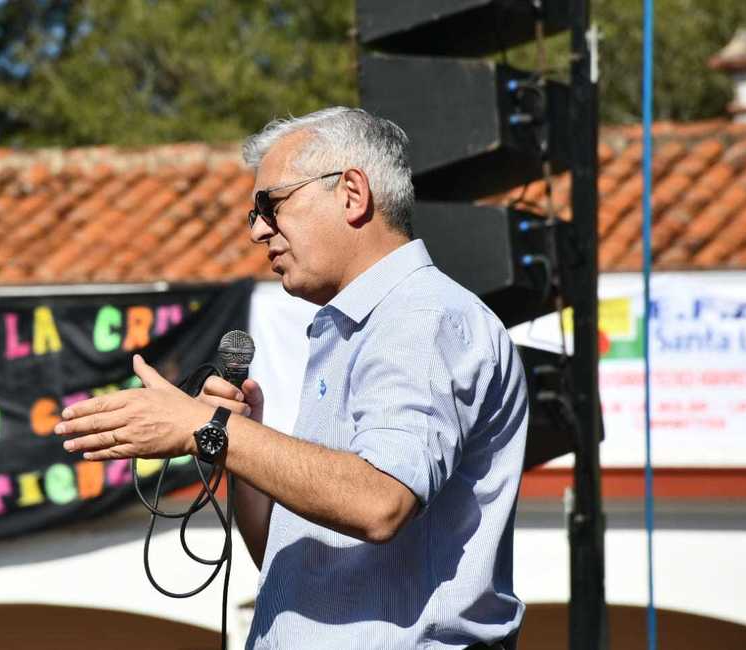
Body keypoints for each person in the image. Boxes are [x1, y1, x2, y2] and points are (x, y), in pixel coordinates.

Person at [55, 107, 528, 650]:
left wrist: (209, 429)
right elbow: (292, 563)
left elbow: (379, 501)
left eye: (269, 205)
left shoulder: (420, 317)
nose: (258, 230)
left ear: (352, 193)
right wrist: (239, 450)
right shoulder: (350, 329)